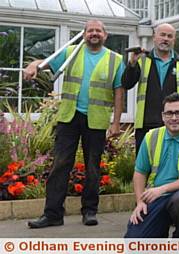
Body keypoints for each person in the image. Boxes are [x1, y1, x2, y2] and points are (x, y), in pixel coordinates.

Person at [23, 19, 125, 228]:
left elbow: (119, 91)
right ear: (84, 34)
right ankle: (52, 214)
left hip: (96, 120)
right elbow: (44, 63)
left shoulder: (116, 60)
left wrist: (116, 123)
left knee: (93, 168)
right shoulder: (70, 52)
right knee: (60, 165)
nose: (94, 34)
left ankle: (89, 211)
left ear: (105, 35)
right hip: (69, 117)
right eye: (90, 31)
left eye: (98, 31)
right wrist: (33, 66)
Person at [124, 93, 179, 238]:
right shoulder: (151, 136)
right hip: (156, 197)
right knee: (134, 243)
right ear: (163, 116)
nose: (174, 118)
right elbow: (140, 172)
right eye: (169, 113)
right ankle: (159, 235)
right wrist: (139, 202)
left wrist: (161, 189)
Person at [122, 23, 179, 152]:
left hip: (174, 124)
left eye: (169, 36)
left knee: (173, 165)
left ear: (174, 40)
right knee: (145, 166)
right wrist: (132, 63)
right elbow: (126, 84)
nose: (165, 39)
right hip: (146, 123)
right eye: (162, 35)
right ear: (154, 37)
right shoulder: (142, 60)